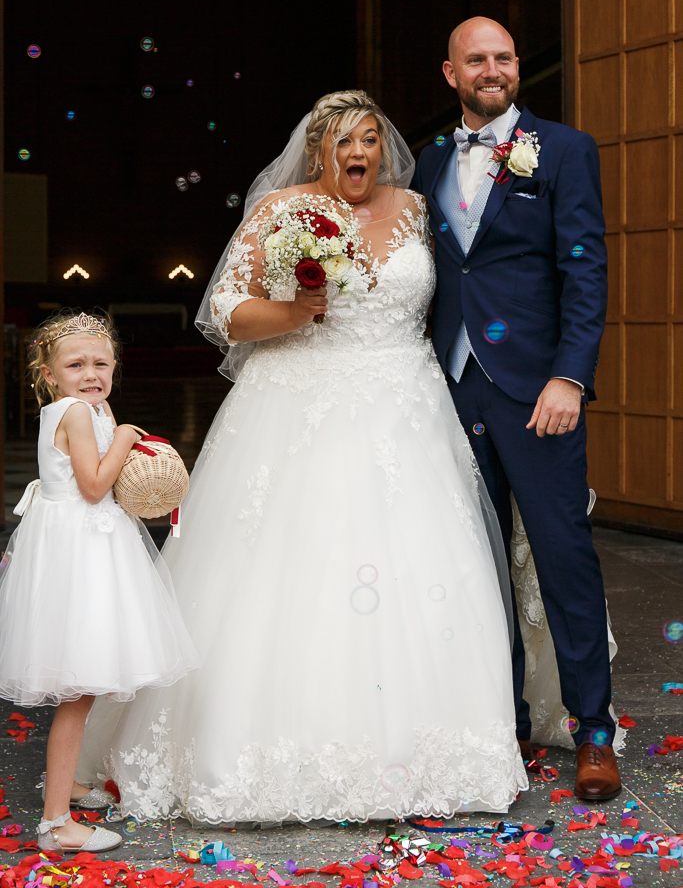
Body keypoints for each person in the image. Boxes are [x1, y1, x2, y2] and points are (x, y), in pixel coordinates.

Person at [77, 90, 527, 824]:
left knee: (423, 571)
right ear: (319, 148)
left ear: (383, 149)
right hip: (297, 399)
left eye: (370, 140)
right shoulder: (280, 211)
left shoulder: (416, 210)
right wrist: (293, 311)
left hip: (404, 409)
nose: (359, 153)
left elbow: (470, 291)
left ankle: (433, 754)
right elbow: (224, 311)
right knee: (287, 568)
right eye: (344, 141)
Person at [413, 18, 619, 801]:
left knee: (563, 554)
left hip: (538, 393)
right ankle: (499, 723)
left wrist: (570, 378)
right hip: (446, 388)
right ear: (450, 72)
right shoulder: (428, 160)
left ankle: (591, 731)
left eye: (503, 57)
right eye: (476, 59)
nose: (493, 69)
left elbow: (585, 271)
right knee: (474, 565)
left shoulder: (563, 149)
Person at [0, 312, 198, 853]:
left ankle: (72, 786)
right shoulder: (81, 415)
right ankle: (55, 823)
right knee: (80, 686)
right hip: (83, 552)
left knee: (84, 681)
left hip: (82, 544)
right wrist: (126, 439)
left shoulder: (78, 410)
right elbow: (92, 486)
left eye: (101, 363)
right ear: (48, 372)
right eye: (75, 364)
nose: (91, 373)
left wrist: (114, 428)